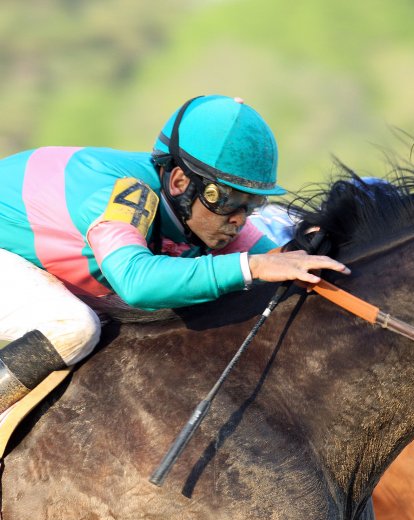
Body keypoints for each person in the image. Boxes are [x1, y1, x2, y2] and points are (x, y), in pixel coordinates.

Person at [0, 94, 350, 413]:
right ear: (180, 182)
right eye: (226, 199)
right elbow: (137, 283)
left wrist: (308, 248)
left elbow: (276, 262)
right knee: (73, 327)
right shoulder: (128, 194)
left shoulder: (206, 213)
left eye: (251, 204)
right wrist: (255, 265)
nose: (238, 220)